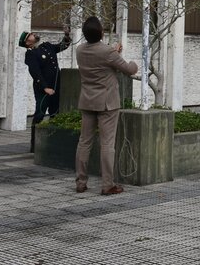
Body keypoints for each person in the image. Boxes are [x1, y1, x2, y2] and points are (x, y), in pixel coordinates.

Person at [74, 17, 138, 195]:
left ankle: (81, 182)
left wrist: (113, 52)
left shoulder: (79, 50)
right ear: (101, 33)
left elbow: (99, 59)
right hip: (107, 103)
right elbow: (129, 69)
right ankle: (107, 184)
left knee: (84, 142)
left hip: (87, 100)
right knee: (107, 144)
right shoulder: (108, 52)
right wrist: (131, 60)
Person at [19, 26, 71, 124]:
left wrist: (67, 35)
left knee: (55, 113)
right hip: (43, 88)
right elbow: (35, 73)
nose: (33, 34)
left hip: (55, 86)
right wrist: (45, 87)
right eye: (30, 35)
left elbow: (62, 46)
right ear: (28, 43)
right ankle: (34, 134)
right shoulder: (31, 54)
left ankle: (53, 133)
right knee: (40, 113)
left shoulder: (46, 46)